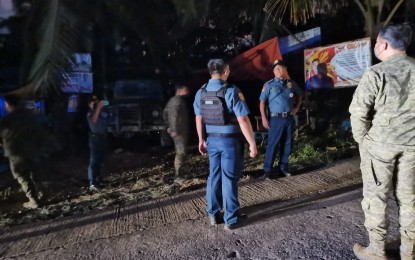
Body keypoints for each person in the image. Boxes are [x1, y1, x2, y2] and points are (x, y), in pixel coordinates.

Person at [349, 23, 415, 260]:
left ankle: (377, 250)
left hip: (380, 147)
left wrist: (363, 141)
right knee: (410, 198)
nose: (376, 45)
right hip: (413, 146)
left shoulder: (377, 73)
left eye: (377, 42)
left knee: (377, 198)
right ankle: (409, 251)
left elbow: (358, 113)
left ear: (384, 44)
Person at [193, 58, 257, 230]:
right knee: (229, 179)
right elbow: (243, 119)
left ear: (210, 72)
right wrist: (252, 143)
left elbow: (198, 118)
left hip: (212, 140)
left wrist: (201, 139)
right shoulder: (231, 91)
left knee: (214, 177)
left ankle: (213, 215)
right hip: (230, 141)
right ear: (226, 71)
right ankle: (231, 219)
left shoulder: (201, 92)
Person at [0, 95, 47, 209]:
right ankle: (41, 193)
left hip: (16, 153)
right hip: (33, 150)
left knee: (22, 176)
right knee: (35, 172)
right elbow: (40, 132)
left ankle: (34, 200)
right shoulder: (31, 117)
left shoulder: (6, 119)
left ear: (8, 105)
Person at [259, 59, 303, 178]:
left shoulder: (291, 83)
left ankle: (283, 167)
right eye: (275, 69)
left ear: (285, 69)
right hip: (275, 119)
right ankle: (268, 170)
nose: (277, 70)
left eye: (280, 68)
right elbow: (262, 102)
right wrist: (264, 118)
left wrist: (297, 107)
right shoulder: (268, 85)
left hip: (288, 118)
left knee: (287, 143)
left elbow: (300, 94)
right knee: (273, 144)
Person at [163, 85, 191, 183]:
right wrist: (173, 129)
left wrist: (168, 127)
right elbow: (174, 116)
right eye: (185, 90)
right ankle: (178, 176)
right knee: (181, 152)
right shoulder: (177, 101)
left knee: (181, 152)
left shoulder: (172, 100)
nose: (188, 91)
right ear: (180, 90)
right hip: (179, 131)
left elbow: (165, 113)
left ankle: (179, 174)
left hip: (178, 130)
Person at [86, 95, 108, 192]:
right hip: (95, 139)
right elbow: (94, 120)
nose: (95, 104)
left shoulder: (100, 112)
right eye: (93, 102)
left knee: (100, 159)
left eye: (96, 102)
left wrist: (102, 106)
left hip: (102, 138)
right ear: (89, 104)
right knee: (94, 160)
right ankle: (92, 182)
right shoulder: (90, 113)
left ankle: (98, 179)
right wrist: (97, 109)